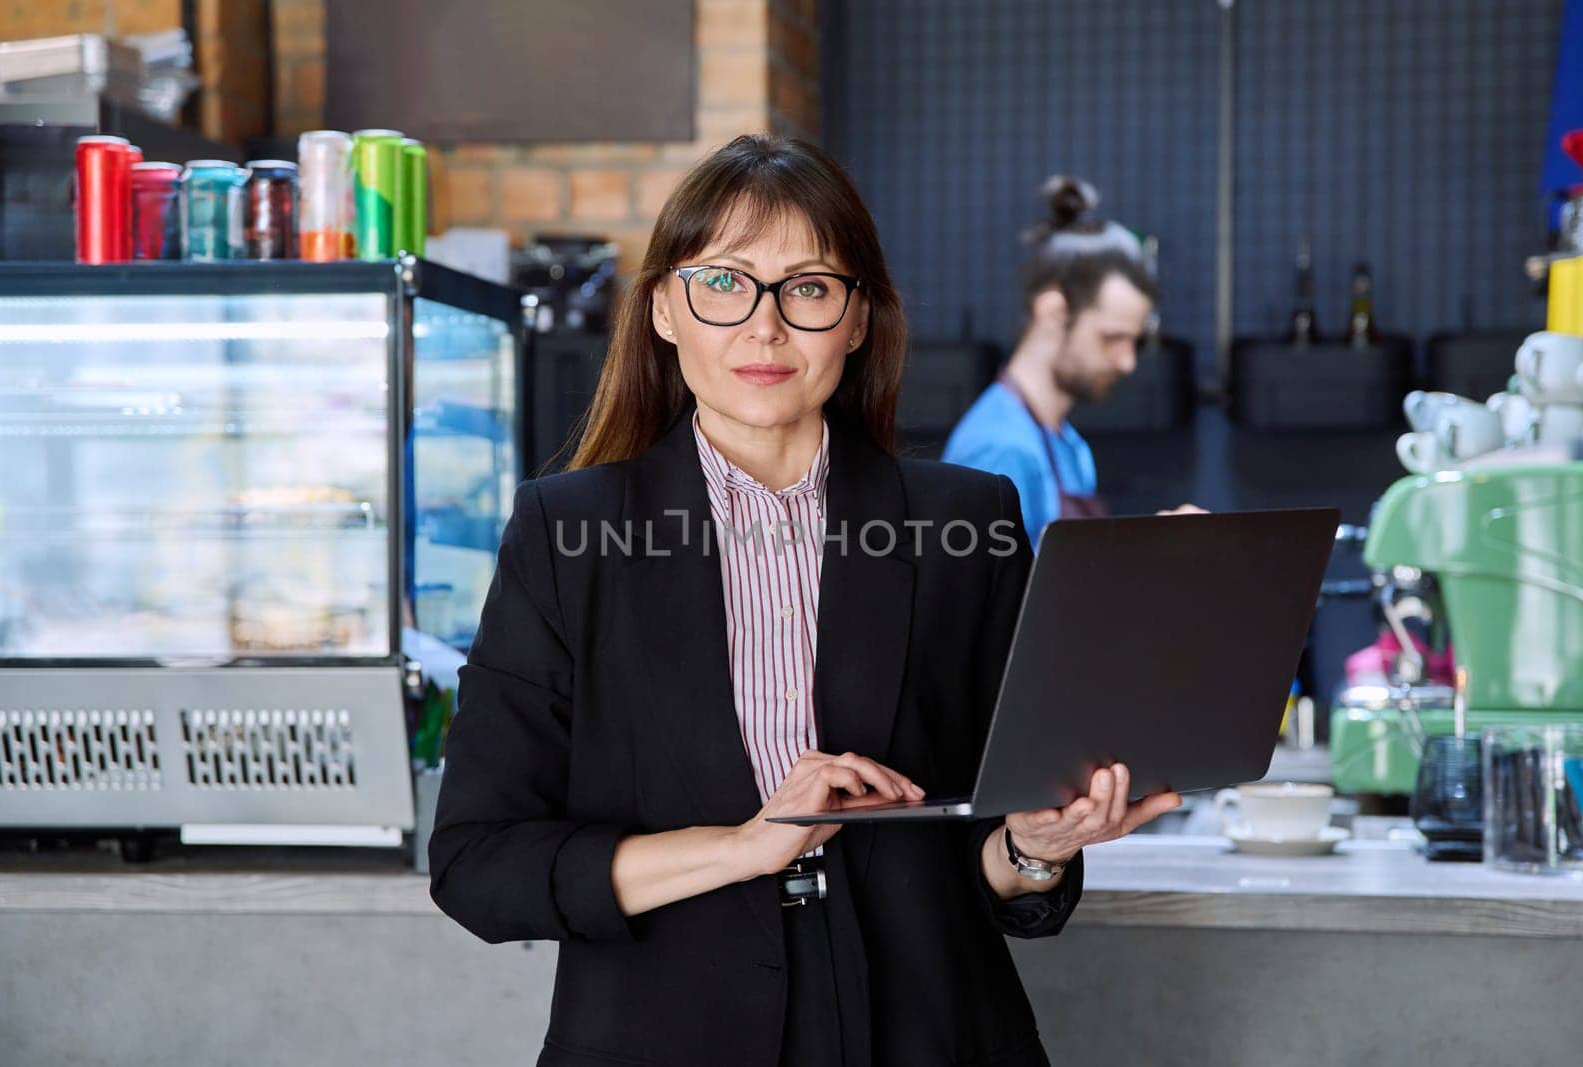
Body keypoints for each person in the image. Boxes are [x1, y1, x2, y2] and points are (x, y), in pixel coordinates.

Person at [427, 135, 1182, 1067]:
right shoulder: (564, 536)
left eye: (811, 287)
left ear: (858, 320)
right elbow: (478, 864)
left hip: (932, 1032)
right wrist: (744, 846)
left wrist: (1035, 844)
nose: (765, 327)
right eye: (724, 282)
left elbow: (986, 862)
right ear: (665, 307)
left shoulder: (969, 522)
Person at [942, 176, 1186, 546]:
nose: (1127, 363)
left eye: (1134, 341)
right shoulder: (998, 452)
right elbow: (989, 602)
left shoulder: (1067, 443)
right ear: (1053, 310)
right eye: (1112, 338)